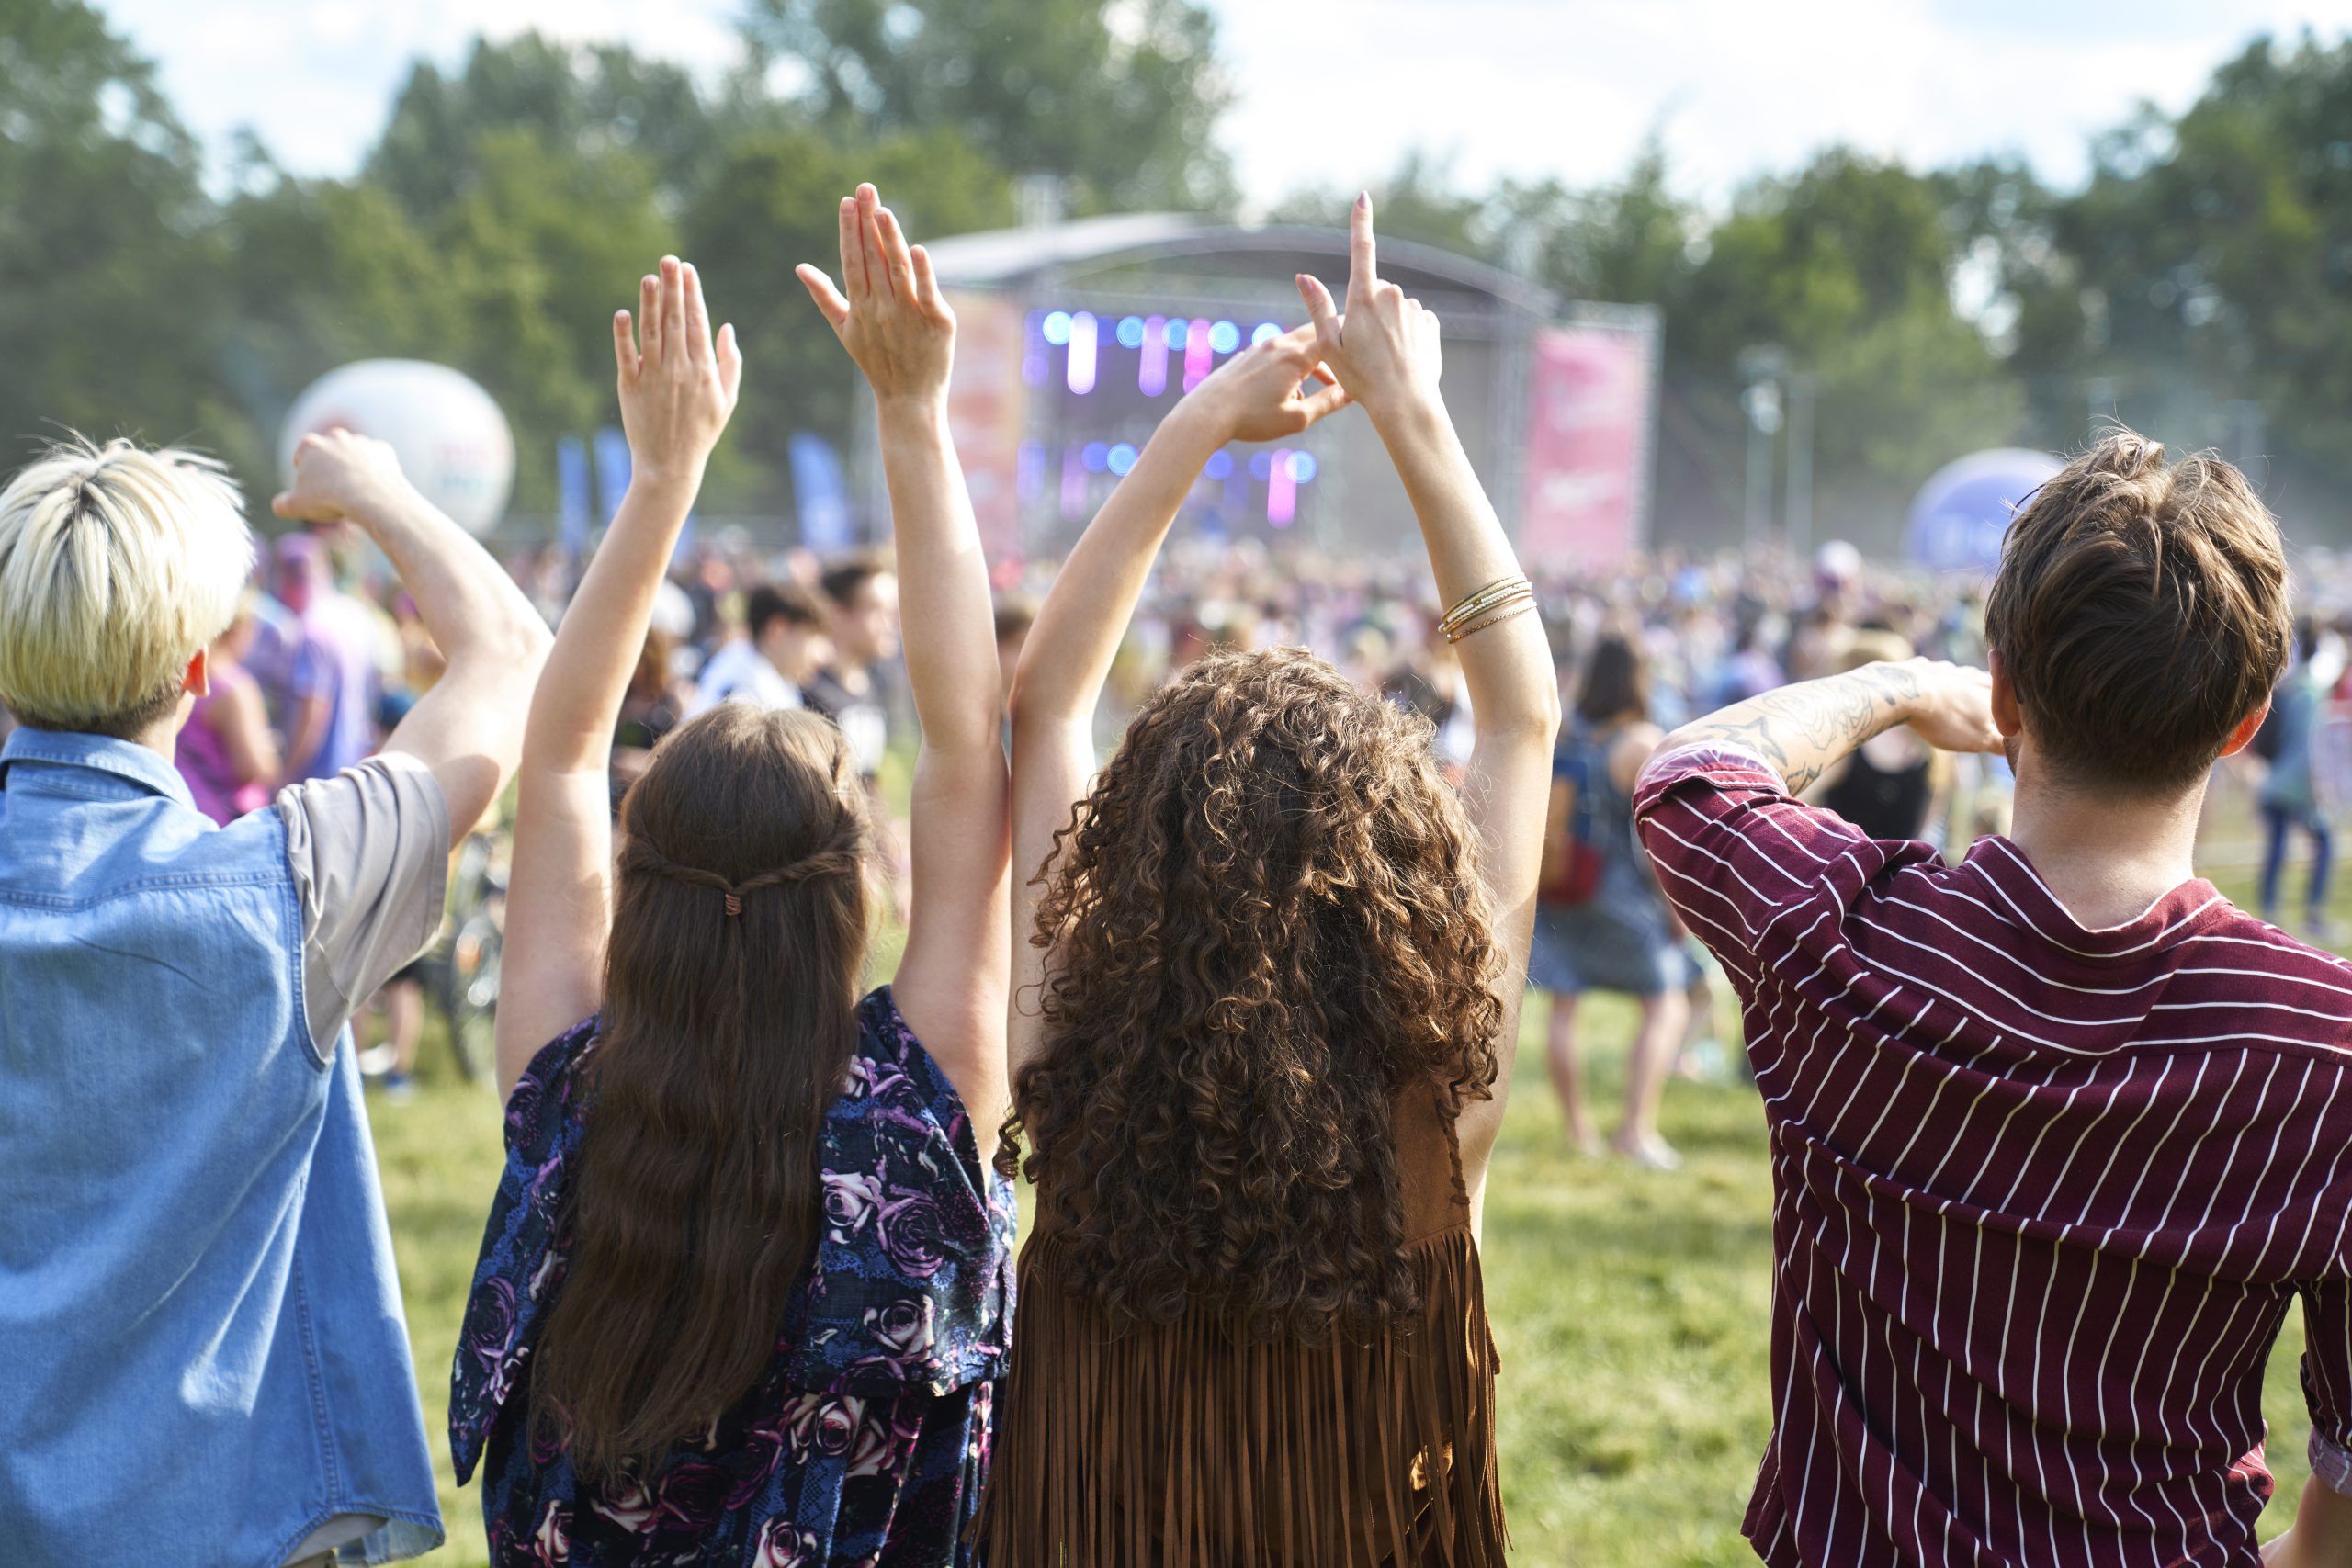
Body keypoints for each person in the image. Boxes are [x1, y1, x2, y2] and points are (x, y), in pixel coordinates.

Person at [1632, 430, 2352, 1567]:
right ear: (2244, 723)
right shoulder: (2322, 1046)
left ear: (2004, 689)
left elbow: (1688, 777)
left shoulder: (1846, 939)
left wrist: (1898, 685)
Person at [978, 195, 1552, 1564]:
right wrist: (1413, 412)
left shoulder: (1068, 1061)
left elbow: (1046, 706)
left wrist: (1193, 426)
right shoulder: (1440, 1092)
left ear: (1141, 848)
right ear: (1394, 868)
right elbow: (1521, 717)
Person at [449, 196, 1015, 1566]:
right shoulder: (922, 1107)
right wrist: (913, 413)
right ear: (851, 884)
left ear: (636, 879)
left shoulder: (569, 1096)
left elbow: (562, 751)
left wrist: (660, 479)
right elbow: (963, 747)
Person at [0, 430, 549, 1566]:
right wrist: (376, 494)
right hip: (236, 1522)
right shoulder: (292, 889)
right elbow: (507, 654)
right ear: (200, 671)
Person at [1531, 633, 1688, 1168]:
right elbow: (1661, 842)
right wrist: (1676, 910)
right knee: (1665, 1004)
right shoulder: (1641, 744)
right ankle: (1635, 1131)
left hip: (1559, 885)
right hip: (1618, 894)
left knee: (1563, 1007)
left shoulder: (1565, 734)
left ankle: (1578, 1132)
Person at [1806, 628, 1953, 844]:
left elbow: (1798, 804)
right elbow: (1925, 829)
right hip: (1899, 864)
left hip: (1843, 862)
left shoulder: (1843, 745)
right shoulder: (1932, 749)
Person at [271, 530, 383, 781]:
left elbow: (313, 714)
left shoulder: (312, 630)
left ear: (287, 580)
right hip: (353, 767)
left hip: (318, 778)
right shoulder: (357, 614)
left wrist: (286, 775)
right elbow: (376, 686)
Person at [175, 592, 280, 823]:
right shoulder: (234, 687)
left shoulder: (187, 671)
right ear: (239, 630)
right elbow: (250, 768)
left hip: (184, 804)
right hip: (224, 818)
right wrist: (270, 753)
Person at [2260, 616, 2335, 938]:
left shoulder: (2287, 689)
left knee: (2277, 847)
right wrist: (2319, 786)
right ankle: (2313, 914)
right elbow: (2311, 746)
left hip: (2274, 781)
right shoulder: (2313, 692)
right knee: (2325, 845)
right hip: (2298, 785)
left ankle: (2269, 910)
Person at [806, 550, 899, 783]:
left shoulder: (873, 682)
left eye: (892, 611)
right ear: (838, 615)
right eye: (877, 609)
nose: (890, 624)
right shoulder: (808, 689)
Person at [687, 581, 830, 716]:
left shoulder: (742, 659)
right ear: (777, 632)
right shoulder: (748, 696)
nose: (822, 656)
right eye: (812, 636)